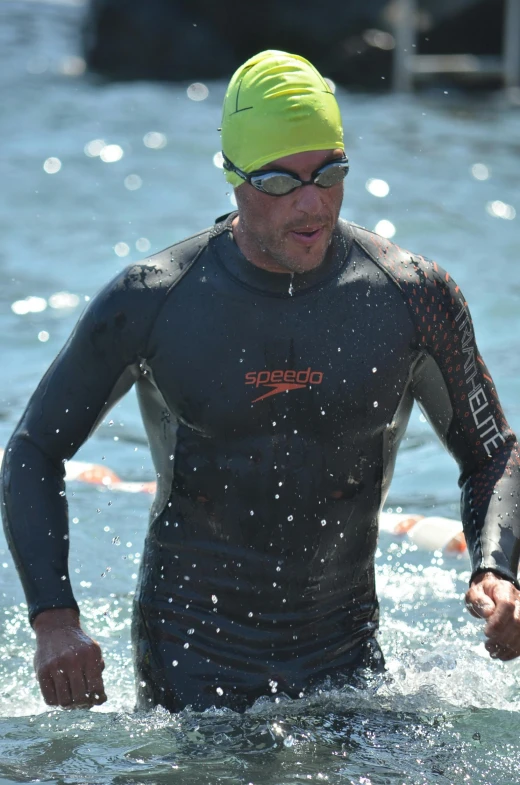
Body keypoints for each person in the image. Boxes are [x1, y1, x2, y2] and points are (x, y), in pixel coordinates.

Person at [2, 50, 520, 713]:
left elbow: (493, 453)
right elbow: (34, 449)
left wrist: (495, 568)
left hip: (348, 670)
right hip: (191, 680)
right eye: (280, 182)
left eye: (329, 173)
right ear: (233, 176)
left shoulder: (412, 297)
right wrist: (54, 620)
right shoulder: (153, 299)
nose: (311, 204)